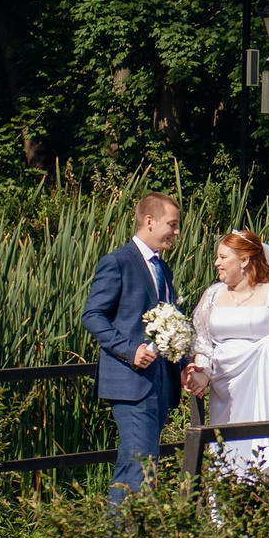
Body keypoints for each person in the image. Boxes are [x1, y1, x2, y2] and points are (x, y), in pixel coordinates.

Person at [82, 191, 195, 513]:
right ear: (149, 221)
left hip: (160, 382)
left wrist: (184, 362)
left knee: (145, 462)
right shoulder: (117, 262)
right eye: (171, 224)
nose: (176, 232)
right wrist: (129, 350)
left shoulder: (164, 269)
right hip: (131, 382)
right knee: (139, 463)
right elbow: (92, 315)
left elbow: (169, 324)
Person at [188, 227, 269, 484]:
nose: (216, 263)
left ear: (244, 260)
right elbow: (203, 342)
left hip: (268, 387)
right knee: (228, 451)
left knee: (266, 458)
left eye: (223, 257)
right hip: (227, 390)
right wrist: (202, 371)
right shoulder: (213, 295)